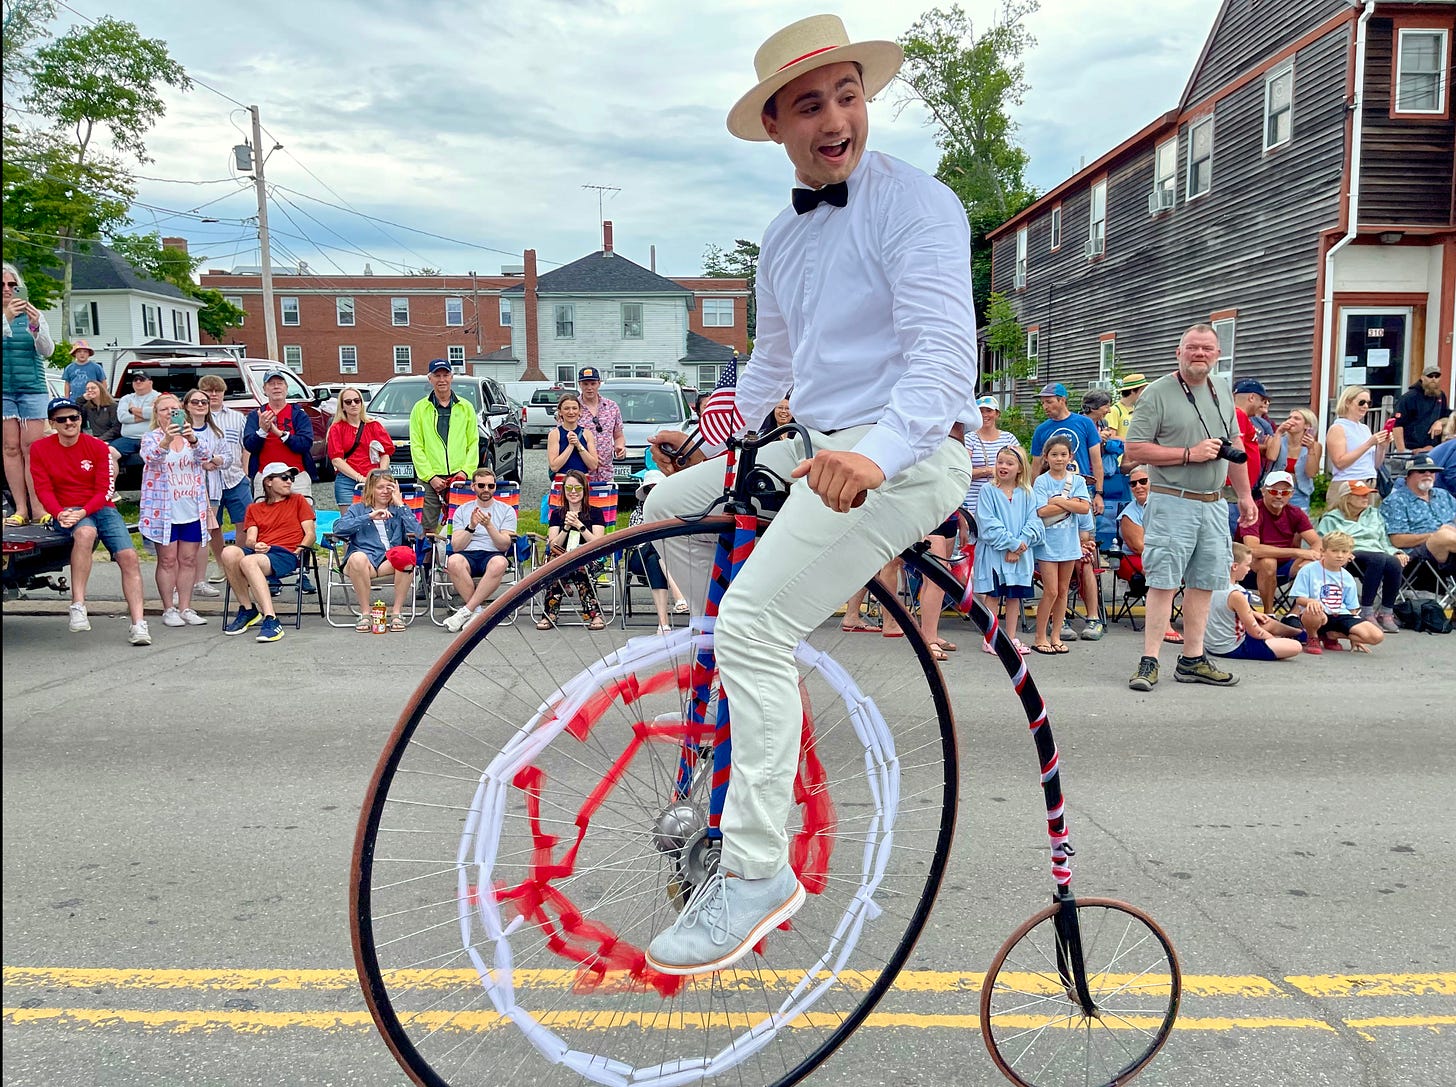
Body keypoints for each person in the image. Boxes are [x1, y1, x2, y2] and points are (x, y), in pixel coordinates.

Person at [640, 14, 974, 975]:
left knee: (753, 619)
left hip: (907, 452)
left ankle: (756, 870)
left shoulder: (918, 206)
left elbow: (944, 359)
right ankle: (752, 679)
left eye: (848, 97)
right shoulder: (784, 234)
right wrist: (716, 440)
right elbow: (771, 364)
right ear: (776, 125)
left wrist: (877, 455)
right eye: (810, 105)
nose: (835, 120)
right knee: (665, 507)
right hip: (813, 445)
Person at [1124, 322, 1257, 691]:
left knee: (1205, 582)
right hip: (1172, 500)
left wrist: (1245, 495)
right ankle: (1149, 660)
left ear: (1218, 355)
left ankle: (1193, 659)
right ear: (1178, 352)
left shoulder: (1222, 390)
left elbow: (1234, 446)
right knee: (1163, 581)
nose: (1200, 354)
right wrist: (1189, 454)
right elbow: (1134, 449)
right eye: (1193, 347)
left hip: (1214, 503)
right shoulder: (1156, 393)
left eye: (1207, 349)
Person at [27, 396, 150, 645]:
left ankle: (139, 624)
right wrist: (58, 512)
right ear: (53, 423)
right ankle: (78, 605)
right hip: (66, 509)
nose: (69, 423)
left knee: (129, 556)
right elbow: (43, 488)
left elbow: (105, 489)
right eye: (62, 419)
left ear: (81, 419)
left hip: (99, 506)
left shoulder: (97, 446)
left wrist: (84, 511)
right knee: (85, 534)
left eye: (74, 417)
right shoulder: (40, 449)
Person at [138, 392, 213, 628]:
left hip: (192, 508)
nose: (170, 413)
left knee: (188, 559)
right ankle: (168, 608)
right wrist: (166, 441)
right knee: (168, 560)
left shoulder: (192, 435)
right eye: (164, 410)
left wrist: (193, 439)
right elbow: (151, 458)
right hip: (163, 510)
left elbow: (207, 458)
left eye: (174, 409)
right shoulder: (150, 437)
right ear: (157, 414)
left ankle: (185, 607)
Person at [220, 462, 316, 644]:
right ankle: (248, 609)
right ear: (268, 482)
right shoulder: (254, 508)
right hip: (262, 551)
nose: (289, 481)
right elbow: (250, 539)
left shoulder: (298, 501)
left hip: (286, 553)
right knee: (229, 552)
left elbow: (310, 534)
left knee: (249, 562)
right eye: (285, 477)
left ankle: (271, 618)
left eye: (291, 478)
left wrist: (299, 550)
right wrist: (256, 545)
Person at [330, 470, 422, 633]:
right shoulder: (358, 509)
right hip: (364, 563)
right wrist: (369, 517)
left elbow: (419, 534)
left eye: (389, 487)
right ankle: (365, 613)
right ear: (370, 489)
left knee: (406, 555)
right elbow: (338, 529)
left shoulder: (399, 510)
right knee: (357, 558)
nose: (385, 491)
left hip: (390, 563)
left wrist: (400, 504)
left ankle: (396, 613)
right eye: (380, 487)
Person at [971, 445, 1042, 655]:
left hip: (1020, 556)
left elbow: (1034, 522)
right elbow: (987, 524)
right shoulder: (988, 491)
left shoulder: (1027, 493)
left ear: (1020, 468)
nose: (1003, 466)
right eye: (1000, 462)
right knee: (993, 596)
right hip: (994, 555)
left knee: (1014, 597)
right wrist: (1012, 544)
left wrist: (1021, 545)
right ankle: (990, 638)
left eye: (1009, 463)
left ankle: (1010, 638)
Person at [3, 262, 55, 525]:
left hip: (32, 388)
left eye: (12, 284)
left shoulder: (33, 313)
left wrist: (35, 326)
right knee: (11, 447)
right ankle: (20, 509)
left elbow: (47, 350)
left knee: (32, 447)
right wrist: (7, 318)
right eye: (2, 284)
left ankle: (38, 507)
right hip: (4, 390)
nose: (7, 289)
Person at [1316, 482, 1406, 632]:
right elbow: (1324, 542)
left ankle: (1386, 612)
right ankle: (1366, 611)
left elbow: (1383, 539)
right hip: (1349, 554)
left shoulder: (1374, 514)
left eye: (1367, 495)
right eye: (1361, 495)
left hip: (1377, 552)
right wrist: (1342, 552)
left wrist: (1395, 552)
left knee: (1393, 562)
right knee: (1378, 559)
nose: (1366, 498)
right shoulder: (1331, 519)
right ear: (1347, 497)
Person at [1030, 435, 1090, 654]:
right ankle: (1040, 636)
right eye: (1054, 454)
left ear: (1070, 456)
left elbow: (1085, 508)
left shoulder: (1078, 481)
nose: (1059, 459)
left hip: (1069, 543)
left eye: (1063, 454)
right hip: (1047, 544)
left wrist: (1057, 501)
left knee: (1063, 590)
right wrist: (1070, 503)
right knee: (1051, 591)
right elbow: (1041, 511)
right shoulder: (1042, 481)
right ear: (1046, 457)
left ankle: (1055, 635)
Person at [442, 466, 517, 633]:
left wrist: (489, 526)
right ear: (473, 486)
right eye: (481, 485)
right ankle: (476, 612)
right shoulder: (462, 510)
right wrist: (471, 526)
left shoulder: (507, 510)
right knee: (453, 561)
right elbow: (456, 546)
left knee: (500, 563)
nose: (486, 489)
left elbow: (504, 545)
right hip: (467, 553)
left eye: (491, 486)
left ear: (495, 487)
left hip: (493, 553)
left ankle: (466, 612)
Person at [1205, 542, 1305, 663]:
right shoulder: (1236, 594)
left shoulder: (1212, 585)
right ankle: (1297, 635)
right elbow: (1255, 631)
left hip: (1212, 644)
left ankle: (1298, 633)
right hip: (1233, 646)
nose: (1249, 570)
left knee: (1264, 620)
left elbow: (1222, 608)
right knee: (1295, 646)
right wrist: (1272, 640)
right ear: (1235, 566)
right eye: (1247, 565)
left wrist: (1252, 613)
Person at [409, 358, 477, 534]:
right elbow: (416, 446)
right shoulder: (419, 409)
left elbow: (473, 443)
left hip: (459, 477)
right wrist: (430, 476)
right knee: (426, 527)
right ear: (429, 379)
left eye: (445, 375)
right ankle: (428, 553)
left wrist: (465, 472)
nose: (442, 380)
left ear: (452, 377)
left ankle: (457, 552)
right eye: (437, 376)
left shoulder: (466, 407)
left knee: (463, 523)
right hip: (430, 479)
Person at [1239, 470, 1321, 614]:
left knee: (1310, 564)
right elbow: (1252, 549)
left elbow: (1317, 542)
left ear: (1291, 494)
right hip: (1248, 568)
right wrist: (1297, 552)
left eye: (1284, 492)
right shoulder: (1254, 511)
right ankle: (1269, 613)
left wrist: (1313, 555)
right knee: (1268, 562)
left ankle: (1295, 614)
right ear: (1263, 491)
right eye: (1273, 491)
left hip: (1285, 567)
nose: (1278, 496)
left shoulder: (1295, 513)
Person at [1290, 531, 1385, 653]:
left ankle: (1332, 635)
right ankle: (1312, 637)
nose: (1340, 555)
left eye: (1344, 552)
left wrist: (1355, 637)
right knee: (1313, 610)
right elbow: (1299, 599)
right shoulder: (1308, 570)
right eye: (1334, 551)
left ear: (1350, 555)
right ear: (1323, 551)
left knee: (1377, 636)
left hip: (1340, 614)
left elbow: (1352, 609)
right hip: (1319, 614)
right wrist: (1310, 601)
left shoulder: (1347, 577)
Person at [537, 469, 605, 630]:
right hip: (562, 557)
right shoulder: (557, 514)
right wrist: (566, 528)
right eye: (569, 488)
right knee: (558, 567)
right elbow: (553, 545)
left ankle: (551, 614)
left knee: (579, 566)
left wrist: (580, 526)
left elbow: (598, 543)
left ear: (584, 489)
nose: (573, 492)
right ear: (564, 490)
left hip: (589, 557)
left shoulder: (596, 513)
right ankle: (591, 615)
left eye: (578, 488)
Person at [179, 386, 229, 600]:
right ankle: (180, 583)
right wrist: (203, 461)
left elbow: (227, 458)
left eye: (204, 402)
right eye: (195, 402)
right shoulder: (179, 431)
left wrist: (214, 460)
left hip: (211, 489)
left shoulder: (216, 431)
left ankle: (199, 580)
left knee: (203, 535)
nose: (200, 405)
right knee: (184, 537)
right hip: (185, 490)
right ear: (186, 406)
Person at [199, 374, 249, 586]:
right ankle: (222, 565)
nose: (213, 394)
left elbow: (246, 446)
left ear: (223, 392)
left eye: (217, 390)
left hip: (235, 477)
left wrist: (245, 470)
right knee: (213, 525)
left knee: (245, 522)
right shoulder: (197, 418)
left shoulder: (237, 417)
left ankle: (239, 563)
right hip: (208, 481)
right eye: (209, 391)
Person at [1030, 382, 1104, 516]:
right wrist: (1032, 495)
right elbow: (1036, 466)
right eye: (1043, 403)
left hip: (1081, 488)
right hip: (1051, 489)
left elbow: (1097, 461)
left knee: (1085, 528)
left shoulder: (1085, 423)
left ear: (1062, 400)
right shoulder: (1041, 430)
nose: (1045, 406)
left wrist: (1099, 493)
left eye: (1049, 402)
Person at [243, 369, 314, 499]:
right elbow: (249, 445)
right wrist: (262, 431)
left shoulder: (299, 414)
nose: (276, 387)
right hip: (265, 478)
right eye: (271, 384)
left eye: (280, 383)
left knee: (303, 512)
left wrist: (280, 433)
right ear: (264, 389)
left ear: (286, 388)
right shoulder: (256, 415)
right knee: (264, 512)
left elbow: (305, 444)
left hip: (297, 477)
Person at [1380, 453, 1456, 574]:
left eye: (1432, 471)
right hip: (1417, 556)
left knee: (1447, 531)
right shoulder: (1395, 501)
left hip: (1451, 549)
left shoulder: (1443, 495)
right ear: (1407, 476)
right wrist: (1434, 536)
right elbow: (1397, 540)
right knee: (1444, 535)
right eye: (1422, 471)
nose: (1428, 474)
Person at [624, 469, 677, 633]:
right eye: (649, 489)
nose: (652, 493)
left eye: (657, 489)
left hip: (664, 559)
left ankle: (663, 624)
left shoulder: (673, 512)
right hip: (639, 557)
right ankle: (678, 595)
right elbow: (633, 541)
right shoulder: (637, 513)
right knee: (656, 544)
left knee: (655, 559)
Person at [327, 385, 394, 507]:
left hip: (374, 480)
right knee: (350, 518)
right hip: (347, 481)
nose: (353, 404)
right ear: (342, 406)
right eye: (348, 402)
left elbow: (385, 453)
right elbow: (336, 460)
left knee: (378, 516)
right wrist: (360, 478)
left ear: (361, 403)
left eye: (357, 400)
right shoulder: (336, 428)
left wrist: (381, 475)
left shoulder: (374, 425)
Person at [1324, 384, 1390, 504]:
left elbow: (1375, 464)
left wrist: (1382, 446)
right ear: (1347, 402)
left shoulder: (1364, 428)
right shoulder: (1338, 428)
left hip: (1369, 482)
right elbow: (1339, 462)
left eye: (1368, 403)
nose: (1365, 406)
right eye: (1361, 402)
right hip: (1348, 483)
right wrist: (1369, 444)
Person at [962, 395, 1020, 528]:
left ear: (997, 414)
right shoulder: (970, 439)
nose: (985, 415)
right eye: (980, 411)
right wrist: (989, 471)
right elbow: (963, 471)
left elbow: (1020, 467)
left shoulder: (1009, 438)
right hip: (973, 501)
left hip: (1003, 500)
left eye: (989, 411)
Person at [576, 366, 625, 485]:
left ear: (599, 383)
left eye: (593, 383)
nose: (589, 388)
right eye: (585, 384)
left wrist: (620, 447)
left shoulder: (611, 407)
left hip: (606, 472)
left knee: (607, 497)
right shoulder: (572, 408)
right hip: (580, 473)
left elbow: (618, 435)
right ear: (579, 384)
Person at [1268, 407, 1321, 511]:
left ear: (1307, 425)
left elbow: (1311, 473)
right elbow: (1271, 457)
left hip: (1299, 491)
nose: (1291, 421)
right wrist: (1278, 432)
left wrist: (1310, 450)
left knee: (1298, 520)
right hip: (1275, 490)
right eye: (1289, 418)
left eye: (1296, 418)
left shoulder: (1315, 446)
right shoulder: (1277, 440)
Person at [1391, 367, 1449, 454]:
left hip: (1433, 450)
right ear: (1422, 377)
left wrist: (1440, 422)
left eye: (1436, 376)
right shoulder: (1409, 397)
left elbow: (1447, 416)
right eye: (1430, 376)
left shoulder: (1441, 396)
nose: (1433, 379)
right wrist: (1402, 452)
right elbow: (1397, 425)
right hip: (1410, 450)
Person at [1232, 379, 1272, 493]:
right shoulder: (1239, 415)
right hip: (1236, 490)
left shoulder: (1243, 417)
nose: (1262, 405)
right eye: (1262, 400)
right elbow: (1236, 451)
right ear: (1252, 397)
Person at [546, 391, 597, 479]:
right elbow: (554, 467)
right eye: (566, 408)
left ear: (580, 411)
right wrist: (570, 446)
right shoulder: (555, 434)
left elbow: (593, 465)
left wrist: (578, 445)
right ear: (560, 412)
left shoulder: (587, 434)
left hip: (582, 481)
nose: (571, 412)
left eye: (574, 408)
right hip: (562, 481)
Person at [113, 370, 161, 463]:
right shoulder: (126, 398)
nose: (138, 381)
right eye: (135, 380)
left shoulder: (159, 397)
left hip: (153, 438)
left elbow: (156, 413)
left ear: (150, 382)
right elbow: (122, 417)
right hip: (128, 439)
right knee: (110, 453)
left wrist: (132, 410)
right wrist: (146, 415)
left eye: (141, 379)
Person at [1104, 373, 1148, 439]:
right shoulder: (1114, 410)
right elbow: (1111, 437)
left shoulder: (1137, 409)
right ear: (1132, 391)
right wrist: (1133, 441)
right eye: (1142, 390)